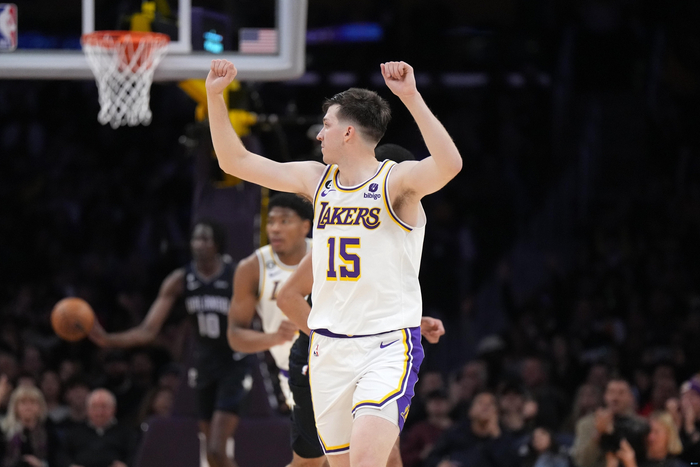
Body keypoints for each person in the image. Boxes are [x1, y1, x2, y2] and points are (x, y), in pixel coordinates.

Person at [207, 56, 462, 467]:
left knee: (367, 460)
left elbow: (450, 164)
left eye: (326, 125)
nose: (319, 134)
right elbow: (234, 162)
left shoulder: (395, 182)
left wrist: (411, 97)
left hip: (385, 345)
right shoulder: (316, 180)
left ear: (348, 132)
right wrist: (214, 97)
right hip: (327, 348)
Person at [89, 221, 251, 467]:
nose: (199, 244)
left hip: (234, 363)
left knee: (217, 449)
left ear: (218, 244)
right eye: (196, 239)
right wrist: (108, 339)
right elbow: (148, 330)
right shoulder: (180, 279)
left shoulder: (237, 274)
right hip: (204, 365)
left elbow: (262, 315)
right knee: (211, 455)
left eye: (205, 239)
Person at [277, 251, 446, 467]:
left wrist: (407, 322)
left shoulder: (383, 246)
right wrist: (337, 340)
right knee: (310, 461)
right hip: (319, 355)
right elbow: (288, 297)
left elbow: (371, 305)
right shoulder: (333, 241)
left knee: (387, 453)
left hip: (373, 352)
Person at [227, 192, 313, 410]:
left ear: (305, 226)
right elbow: (235, 336)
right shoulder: (252, 268)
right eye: (271, 221)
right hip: (293, 374)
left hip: (339, 364)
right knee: (308, 434)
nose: (275, 229)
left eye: (284, 221)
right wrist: (275, 338)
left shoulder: (327, 253)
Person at [572, 378, 650, 467]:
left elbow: (651, 459)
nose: (615, 398)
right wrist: (598, 433)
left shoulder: (642, 425)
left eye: (621, 393)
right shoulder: (587, 424)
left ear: (630, 397)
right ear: (605, 396)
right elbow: (582, 462)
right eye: (611, 392)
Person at [58, 389, 137, 467]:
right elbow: (61, 455)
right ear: (87, 409)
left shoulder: (126, 433)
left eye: (104, 407)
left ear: (114, 409)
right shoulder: (74, 432)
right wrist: (71, 465)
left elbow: (135, 455)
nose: (99, 412)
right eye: (95, 407)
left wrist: (125, 465)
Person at [0, 385, 59, 467]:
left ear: (40, 407)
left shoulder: (49, 430)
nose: (28, 407)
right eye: (23, 402)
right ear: (15, 407)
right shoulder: (4, 431)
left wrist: (42, 465)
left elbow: (57, 459)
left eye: (32, 402)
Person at [605, 411, 687, 467]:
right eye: (648, 431)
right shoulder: (638, 461)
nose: (650, 437)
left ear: (669, 436)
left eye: (657, 432)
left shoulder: (677, 465)